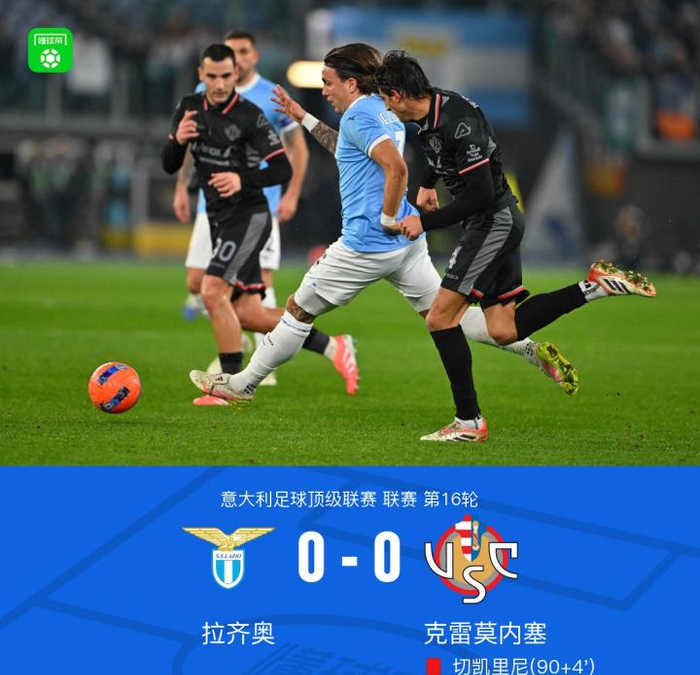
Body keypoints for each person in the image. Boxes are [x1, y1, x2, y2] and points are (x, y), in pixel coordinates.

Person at [189, 44, 579, 413]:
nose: (324, 91)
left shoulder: (359, 115)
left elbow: (396, 167)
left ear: (351, 83)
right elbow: (349, 148)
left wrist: (388, 217)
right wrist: (303, 117)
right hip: (406, 248)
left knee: (297, 310)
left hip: (366, 245)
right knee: (447, 315)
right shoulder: (383, 108)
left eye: (327, 82)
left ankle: (243, 385)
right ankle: (527, 348)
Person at [372, 50, 656, 442]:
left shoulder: (458, 121)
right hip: (494, 222)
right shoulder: (431, 113)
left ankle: (469, 422)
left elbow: (481, 195)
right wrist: (425, 184)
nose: (386, 106)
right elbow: (439, 154)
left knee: (439, 318)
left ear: (399, 94)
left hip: (493, 222)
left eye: (386, 98)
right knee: (503, 330)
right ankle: (595, 286)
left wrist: (425, 222)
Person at [173, 31, 357, 395]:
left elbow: (296, 148)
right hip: (212, 208)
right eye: (231, 53)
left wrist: (291, 194)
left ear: (254, 56)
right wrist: (183, 186)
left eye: (243, 52)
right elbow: (193, 145)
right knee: (202, 286)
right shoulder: (204, 92)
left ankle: (259, 366)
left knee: (247, 291)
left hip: (256, 209)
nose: (236, 59)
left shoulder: (270, 94)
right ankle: (325, 345)